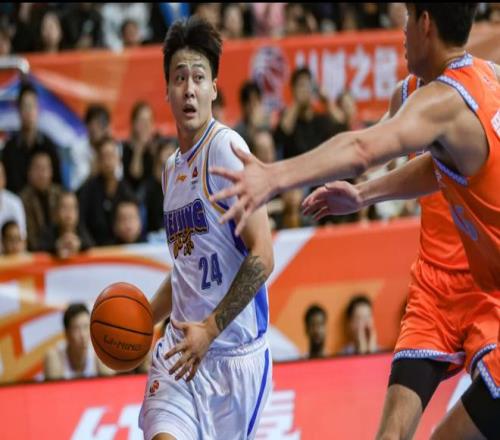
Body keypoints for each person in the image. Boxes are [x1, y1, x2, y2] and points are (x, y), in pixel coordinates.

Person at [210, 4, 500, 439]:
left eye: (407, 17)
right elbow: (439, 168)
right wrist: (363, 194)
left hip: (485, 295)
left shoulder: (446, 101)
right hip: (438, 288)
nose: (401, 30)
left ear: (425, 23)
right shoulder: (484, 79)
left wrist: (274, 176)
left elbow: (363, 149)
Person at [139, 17, 274, 440]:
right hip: (179, 353)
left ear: (214, 88)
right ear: (167, 91)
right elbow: (187, 269)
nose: (189, 89)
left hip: (234, 359)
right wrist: (142, 321)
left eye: (198, 78)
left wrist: (210, 330)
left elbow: (263, 256)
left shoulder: (226, 150)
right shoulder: (170, 170)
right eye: (179, 78)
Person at [2, 82, 62, 194]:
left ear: (38, 110)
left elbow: (58, 184)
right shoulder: (9, 149)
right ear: (19, 110)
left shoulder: (48, 146)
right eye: (25, 106)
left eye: (32, 106)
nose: (29, 111)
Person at [44, 303, 113, 380]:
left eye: (86, 327)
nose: (83, 335)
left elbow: (110, 383)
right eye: (76, 328)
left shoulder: (98, 354)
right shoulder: (55, 356)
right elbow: (53, 387)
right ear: (67, 333)